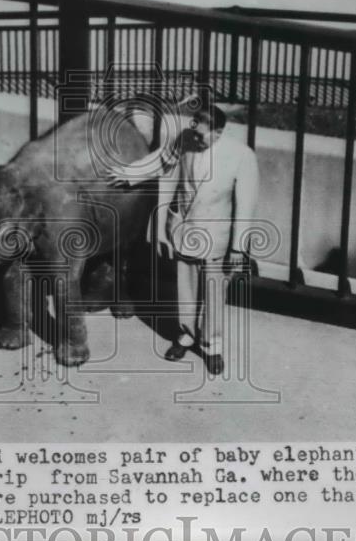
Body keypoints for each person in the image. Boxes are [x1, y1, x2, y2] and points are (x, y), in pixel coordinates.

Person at [108, 102, 259, 376]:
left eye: (202, 136)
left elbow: (246, 204)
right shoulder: (186, 141)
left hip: (217, 236)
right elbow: (160, 161)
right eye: (195, 133)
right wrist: (125, 174)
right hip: (186, 232)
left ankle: (212, 346)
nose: (196, 140)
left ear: (218, 132)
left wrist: (238, 247)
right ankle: (186, 335)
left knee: (213, 292)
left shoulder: (241, 155)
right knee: (185, 289)